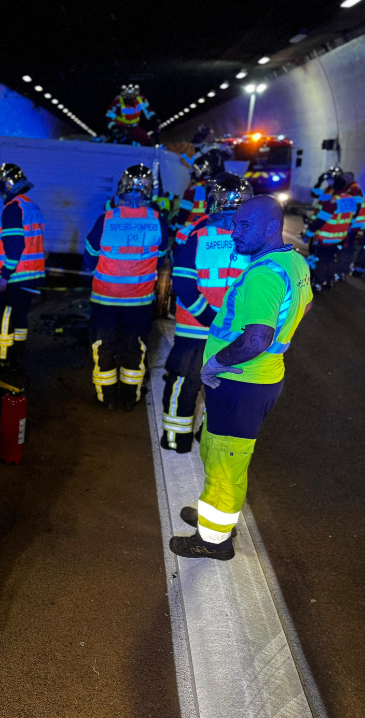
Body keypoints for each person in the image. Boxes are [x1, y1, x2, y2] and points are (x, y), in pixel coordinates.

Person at [171, 196, 312, 560]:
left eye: (244, 225)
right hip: (259, 379)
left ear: (270, 228)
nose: (234, 233)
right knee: (217, 451)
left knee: (225, 463)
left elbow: (256, 338)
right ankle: (212, 517)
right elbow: (306, 304)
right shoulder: (293, 260)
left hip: (240, 381)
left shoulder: (263, 275)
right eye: (234, 224)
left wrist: (216, 362)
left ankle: (213, 540)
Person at [161, 174, 253, 453]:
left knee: (182, 382)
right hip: (232, 332)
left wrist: (207, 318)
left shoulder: (193, 232)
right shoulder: (256, 238)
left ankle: (177, 439)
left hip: (194, 327)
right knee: (224, 388)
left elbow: (184, 284)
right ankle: (208, 439)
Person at [84, 165, 170, 410]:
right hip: (139, 302)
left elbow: (89, 257)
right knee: (135, 349)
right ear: (149, 191)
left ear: (121, 188)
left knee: (104, 348)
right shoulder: (158, 221)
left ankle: (107, 398)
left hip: (105, 300)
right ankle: (130, 399)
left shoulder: (107, 219)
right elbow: (160, 259)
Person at [0, 163, 46, 374]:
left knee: (4, 319)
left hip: (14, 277)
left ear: (6, 185)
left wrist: (4, 275)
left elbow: (15, 247)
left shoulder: (13, 208)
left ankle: (2, 362)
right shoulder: (31, 206)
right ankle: (17, 358)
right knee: (21, 319)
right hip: (31, 276)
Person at [303, 174, 356, 290]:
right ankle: (330, 281)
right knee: (331, 259)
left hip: (326, 237)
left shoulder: (333, 202)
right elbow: (351, 218)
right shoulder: (350, 199)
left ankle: (318, 283)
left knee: (321, 260)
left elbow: (320, 221)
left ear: (334, 186)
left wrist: (308, 234)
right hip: (340, 237)